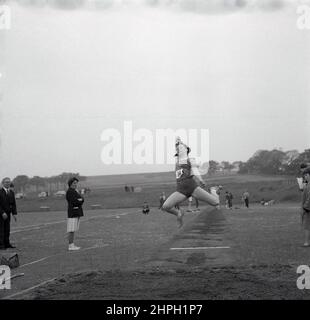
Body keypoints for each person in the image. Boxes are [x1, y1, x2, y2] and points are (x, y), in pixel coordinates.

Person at [161, 137, 219, 227]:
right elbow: (178, 146)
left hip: (192, 187)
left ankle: (213, 191)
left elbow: (195, 171)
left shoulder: (190, 160)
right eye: (178, 149)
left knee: (215, 202)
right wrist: (177, 142)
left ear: (186, 150)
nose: (178, 149)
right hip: (181, 190)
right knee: (165, 206)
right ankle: (179, 213)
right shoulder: (177, 162)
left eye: (181, 148)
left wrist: (201, 180)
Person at [66, 177, 84, 251]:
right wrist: (79, 200)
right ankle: (71, 245)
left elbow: (82, 199)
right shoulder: (70, 191)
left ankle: (72, 244)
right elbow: (75, 201)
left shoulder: (75, 191)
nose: (75, 184)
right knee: (71, 230)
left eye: (76, 183)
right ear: (70, 183)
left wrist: (80, 200)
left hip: (77, 212)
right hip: (73, 212)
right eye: (74, 183)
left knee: (73, 229)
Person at [0, 177, 17, 249]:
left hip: (8, 214)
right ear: (2, 183)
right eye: (6, 182)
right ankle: (1, 245)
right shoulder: (0, 192)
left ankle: (7, 244)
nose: (7, 183)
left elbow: (13, 204)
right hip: (1, 214)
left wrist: (14, 213)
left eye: (9, 182)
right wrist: (2, 213)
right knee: (1, 229)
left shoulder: (11, 192)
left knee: (7, 229)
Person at [301, 167, 310, 247]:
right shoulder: (307, 184)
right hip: (307, 208)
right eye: (304, 175)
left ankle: (307, 242)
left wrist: (305, 208)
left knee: (307, 225)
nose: (305, 177)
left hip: (308, 209)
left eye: (306, 175)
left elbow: (309, 198)